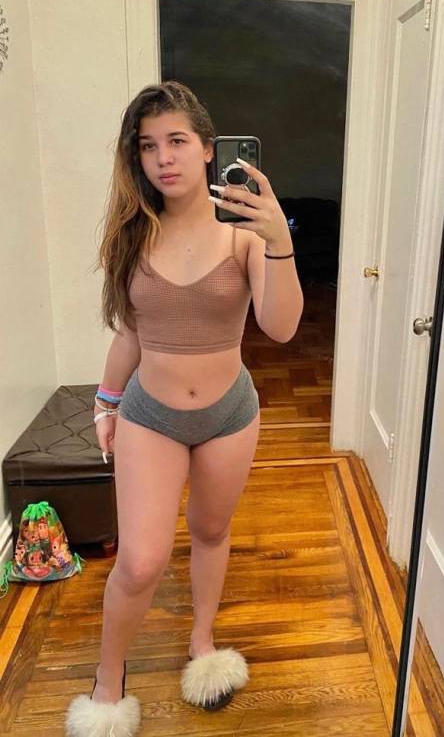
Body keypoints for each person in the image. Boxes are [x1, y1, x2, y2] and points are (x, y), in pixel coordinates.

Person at [65, 81, 303, 737]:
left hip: (229, 414)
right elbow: (130, 334)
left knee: (210, 531)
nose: (163, 158)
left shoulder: (244, 235)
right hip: (151, 416)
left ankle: (203, 642)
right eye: (148, 146)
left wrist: (278, 238)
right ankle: (107, 681)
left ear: (207, 148)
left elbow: (282, 327)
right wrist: (105, 404)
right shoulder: (134, 233)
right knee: (140, 561)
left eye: (176, 141)